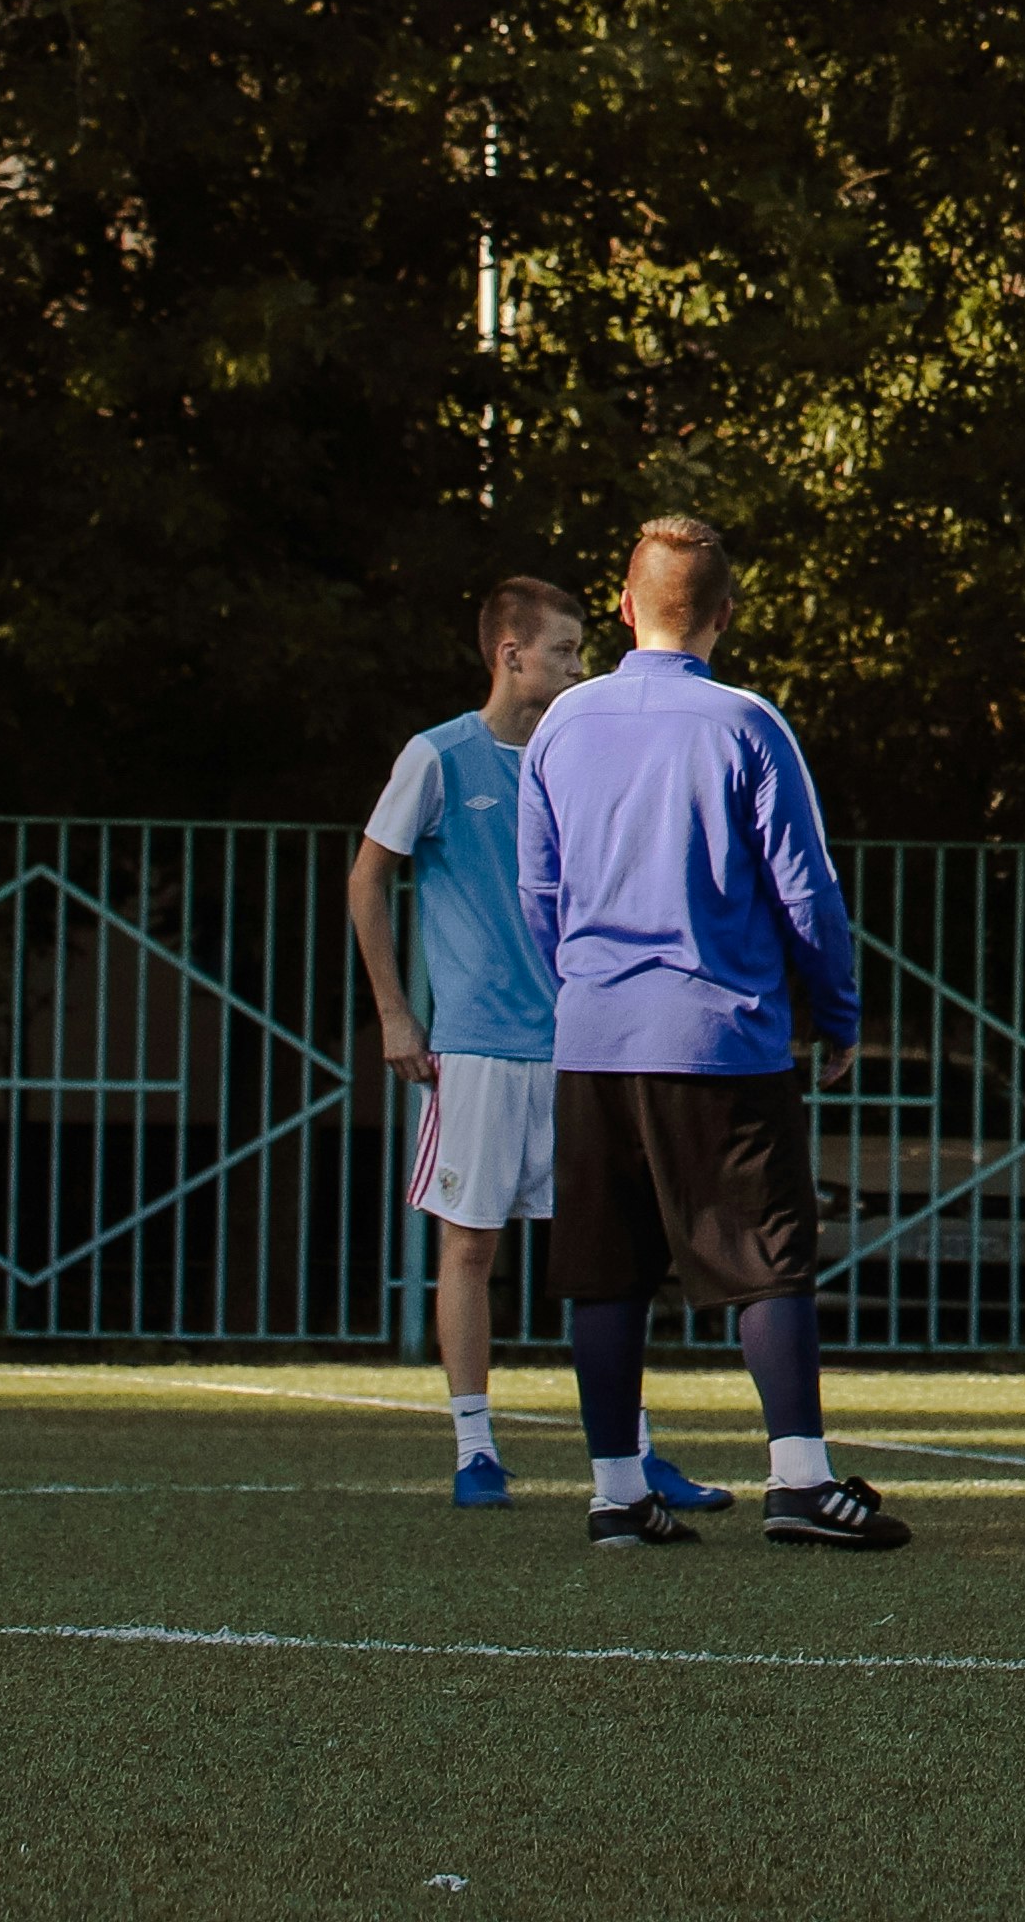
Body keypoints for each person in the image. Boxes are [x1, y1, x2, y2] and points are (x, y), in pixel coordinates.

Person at [511, 514, 904, 1550]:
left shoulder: (560, 723)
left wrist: (583, 983)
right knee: (767, 1257)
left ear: (625, 606)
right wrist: (837, 1008)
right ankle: (801, 1481)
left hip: (594, 1034)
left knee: (604, 1267)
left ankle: (614, 1493)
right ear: (725, 614)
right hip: (718, 1035)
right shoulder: (746, 723)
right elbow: (807, 890)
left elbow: (538, 886)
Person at [343, 577, 719, 1513]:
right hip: (473, 1050)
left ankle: (633, 1456)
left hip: (582, 1047)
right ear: (511, 655)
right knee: (470, 1250)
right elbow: (366, 883)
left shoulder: (577, 753)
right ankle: (476, 1450)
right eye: (563, 650)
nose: (579, 665)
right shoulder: (437, 758)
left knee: (613, 1251)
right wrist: (396, 1012)